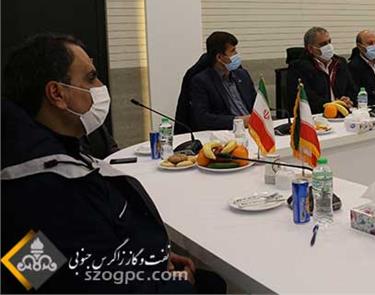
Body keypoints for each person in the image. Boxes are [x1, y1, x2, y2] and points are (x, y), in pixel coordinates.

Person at [1, 34, 225, 293]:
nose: (100, 86)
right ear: (57, 93)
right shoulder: (39, 185)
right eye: (91, 77)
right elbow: (62, 281)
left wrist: (150, 256)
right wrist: (171, 283)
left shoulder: (43, 155)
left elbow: (55, 263)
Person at [188, 32, 256, 131]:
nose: (236, 55)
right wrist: (239, 121)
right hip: (228, 132)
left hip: (253, 129)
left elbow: (256, 104)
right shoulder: (201, 81)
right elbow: (203, 119)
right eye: (232, 51)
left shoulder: (243, 75)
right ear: (219, 57)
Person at [287, 27, 356, 114]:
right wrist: (333, 105)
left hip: (343, 113)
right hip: (317, 115)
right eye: (323, 44)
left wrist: (348, 100)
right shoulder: (298, 67)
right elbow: (306, 98)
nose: (328, 46)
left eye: (329, 42)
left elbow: (352, 89)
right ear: (310, 48)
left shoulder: (340, 62)